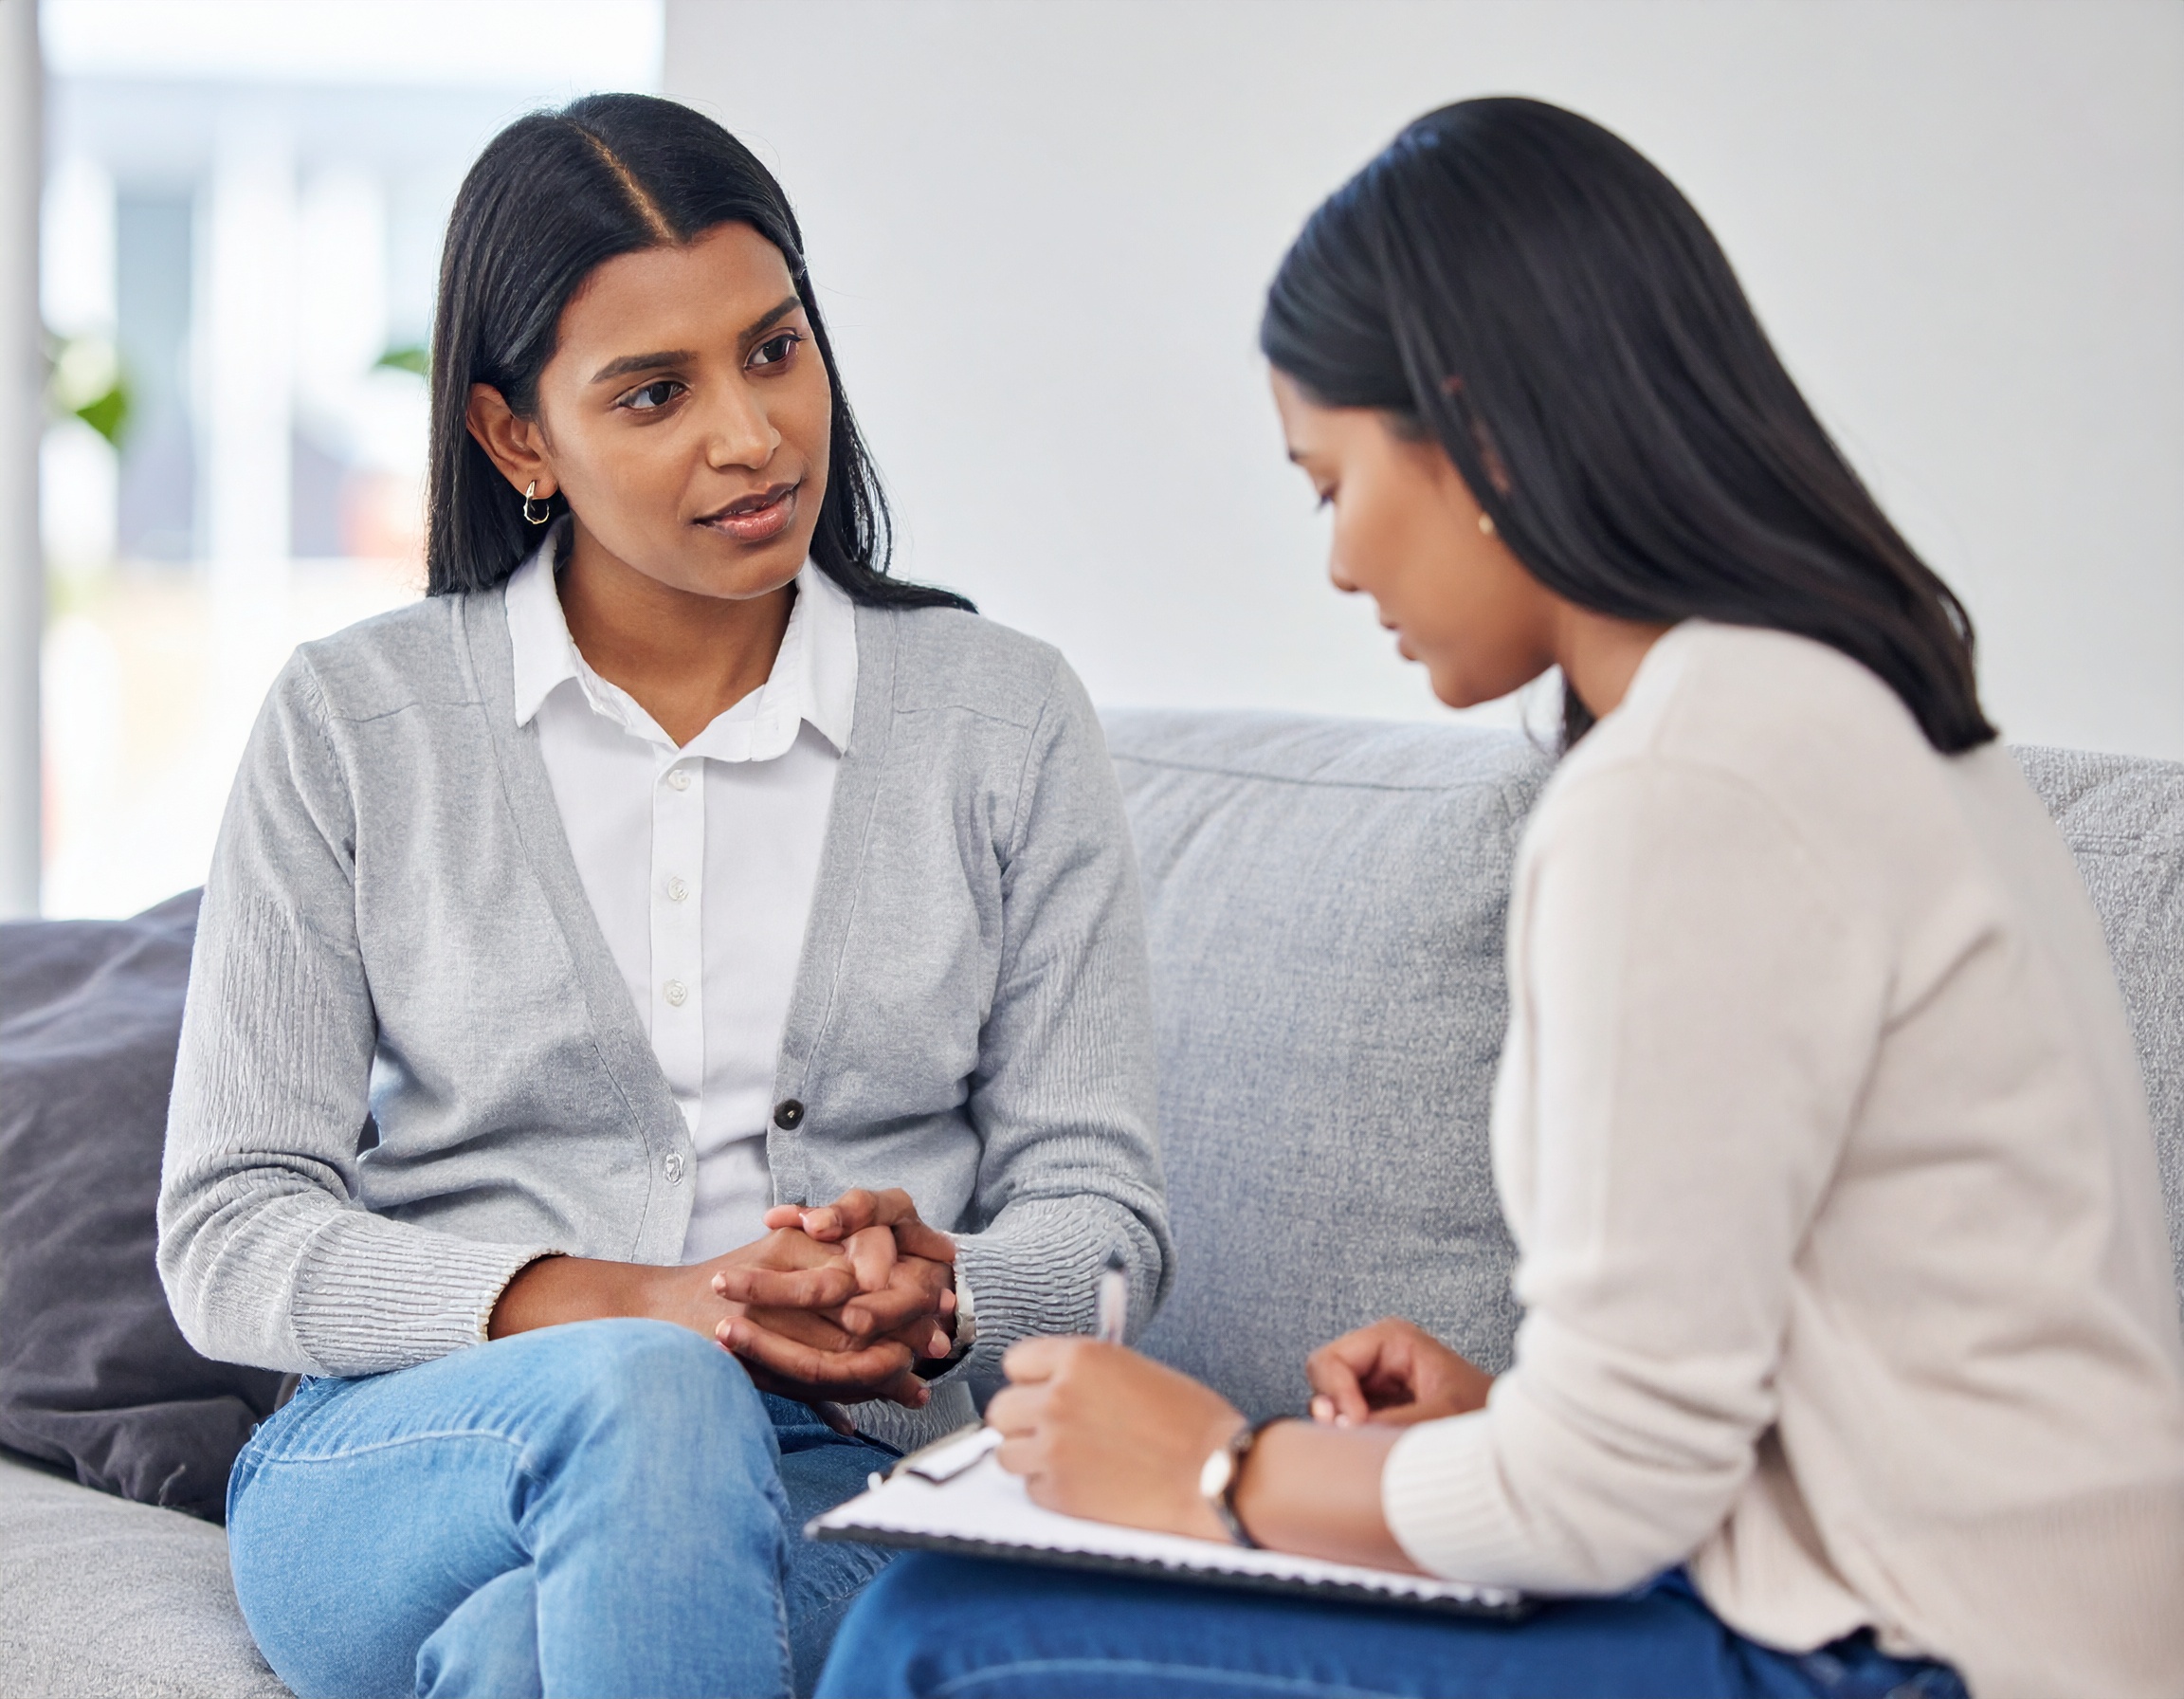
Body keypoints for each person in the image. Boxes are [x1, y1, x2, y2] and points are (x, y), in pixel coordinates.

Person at [816, 97, 2184, 1699]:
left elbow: (1608, 1494)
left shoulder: (1689, 786)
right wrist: (1498, 1430)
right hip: (1973, 1604)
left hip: (1920, 1657)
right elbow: (1771, 1396)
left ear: (1471, 429)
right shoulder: (1835, 711)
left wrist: (1216, 1468)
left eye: (1330, 483)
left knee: (934, 1639)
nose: (1336, 566)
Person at [156, 93, 1169, 1699]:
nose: (752, 435)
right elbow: (231, 1233)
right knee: (653, 1394)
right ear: (516, 438)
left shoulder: (1005, 719)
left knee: (519, 1658)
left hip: (848, 1476)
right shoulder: (356, 724)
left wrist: (949, 1284)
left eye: (775, 350)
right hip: (418, 1451)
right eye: (655, 392)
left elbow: (1110, 1233)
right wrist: (637, 1308)